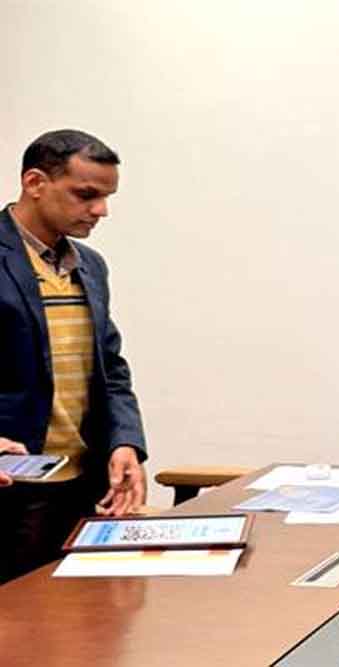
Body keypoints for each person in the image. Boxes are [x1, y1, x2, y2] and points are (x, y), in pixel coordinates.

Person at [0, 129, 147, 583]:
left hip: (81, 489)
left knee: (84, 619)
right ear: (35, 183)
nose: (101, 210)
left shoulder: (90, 265)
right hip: (10, 493)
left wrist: (126, 442)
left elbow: (110, 368)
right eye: (86, 195)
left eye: (106, 197)